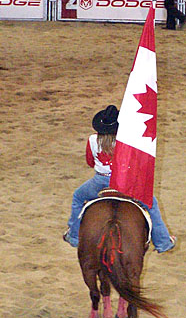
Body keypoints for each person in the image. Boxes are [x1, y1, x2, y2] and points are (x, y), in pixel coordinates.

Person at [63, 105, 177, 253]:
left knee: (78, 197)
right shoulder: (127, 141)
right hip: (125, 182)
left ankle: (74, 236)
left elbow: (90, 162)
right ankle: (162, 242)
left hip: (100, 182)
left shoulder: (92, 140)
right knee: (151, 204)